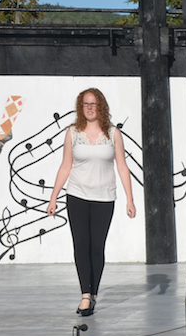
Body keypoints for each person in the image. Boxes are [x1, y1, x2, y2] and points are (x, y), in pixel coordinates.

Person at [47, 88, 136, 316]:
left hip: (104, 198)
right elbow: (65, 166)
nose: (89, 107)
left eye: (93, 104)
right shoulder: (73, 133)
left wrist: (130, 199)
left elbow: (122, 167)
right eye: (85, 103)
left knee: (97, 247)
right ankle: (85, 295)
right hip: (77, 195)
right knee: (81, 245)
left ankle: (93, 292)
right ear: (80, 106)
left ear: (101, 107)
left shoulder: (113, 133)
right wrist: (54, 197)